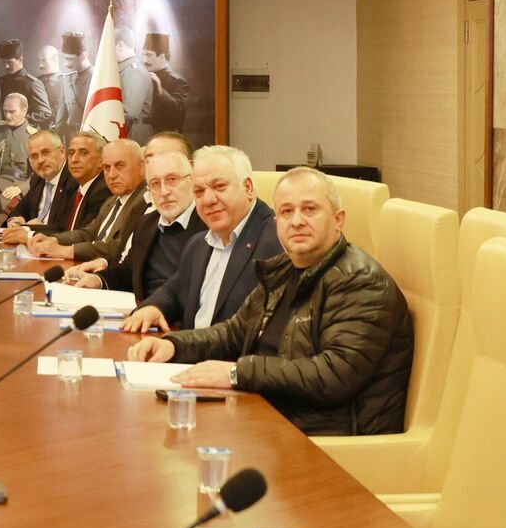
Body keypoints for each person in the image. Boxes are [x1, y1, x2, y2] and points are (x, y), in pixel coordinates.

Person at [129, 167, 414, 436]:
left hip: (324, 439)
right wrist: (174, 345)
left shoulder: (360, 281)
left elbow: (334, 375)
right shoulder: (283, 270)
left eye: (310, 209)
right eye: (287, 211)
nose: (297, 221)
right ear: (277, 222)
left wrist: (237, 373)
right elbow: (233, 332)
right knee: (151, 427)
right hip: (268, 415)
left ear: (338, 219)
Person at [121, 145, 282, 333]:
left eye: (219, 187)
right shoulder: (199, 244)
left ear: (248, 188)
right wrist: (153, 308)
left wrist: (180, 345)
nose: (208, 200)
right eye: (199, 191)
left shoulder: (277, 240)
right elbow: (174, 290)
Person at [63, 151, 205, 300]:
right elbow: (128, 271)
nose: (164, 192)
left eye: (172, 180)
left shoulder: (208, 226)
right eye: (155, 184)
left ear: (192, 179)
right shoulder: (146, 223)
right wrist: (98, 280)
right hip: (141, 308)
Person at [29, 138, 147, 262]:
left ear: (141, 167)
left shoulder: (145, 201)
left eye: (120, 166)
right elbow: (87, 233)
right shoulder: (112, 201)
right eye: (107, 167)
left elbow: (116, 248)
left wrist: (63, 250)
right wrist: (54, 239)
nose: (111, 175)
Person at [0, 130, 77, 245]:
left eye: (46, 152)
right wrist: (16, 220)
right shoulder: (37, 179)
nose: (40, 160)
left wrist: (31, 229)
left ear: (62, 152)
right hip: (30, 246)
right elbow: (21, 209)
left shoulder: (74, 181)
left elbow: (65, 227)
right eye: (34, 156)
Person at [0, 39, 52, 129]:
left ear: (20, 59)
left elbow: (45, 112)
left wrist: (20, 120)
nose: (6, 66)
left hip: (25, 132)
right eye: (4, 62)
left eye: (10, 62)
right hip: (4, 131)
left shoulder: (32, 83)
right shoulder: (1, 81)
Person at [142, 32, 190, 134]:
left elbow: (178, 113)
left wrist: (161, 91)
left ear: (162, 57)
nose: (144, 60)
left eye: (149, 55)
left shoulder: (178, 82)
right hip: (142, 134)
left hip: (165, 136)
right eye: (143, 55)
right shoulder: (142, 77)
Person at [115, 26, 153, 143]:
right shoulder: (126, 70)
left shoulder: (134, 72)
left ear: (120, 45)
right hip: (129, 133)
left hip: (132, 135)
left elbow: (129, 113)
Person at [57, 31, 93, 142]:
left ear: (83, 55)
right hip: (70, 139)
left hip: (90, 138)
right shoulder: (67, 77)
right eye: (64, 58)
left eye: (69, 59)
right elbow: (62, 112)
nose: (65, 64)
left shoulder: (96, 78)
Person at [37, 44, 71, 139]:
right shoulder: (35, 82)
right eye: (39, 61)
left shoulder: (67, 82)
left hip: (62, 134)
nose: (40, 65)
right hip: (39, 133)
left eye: (44, 60)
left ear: (56, 59)